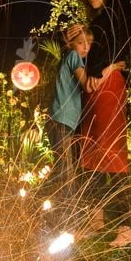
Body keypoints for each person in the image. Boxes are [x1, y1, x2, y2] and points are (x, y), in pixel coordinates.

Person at [67, 0, 131, 245]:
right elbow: (93, 47)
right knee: (93, 153)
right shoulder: (99, 17)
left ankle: (127, 229)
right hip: (96, 86)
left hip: (108, 85)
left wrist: (106, 70)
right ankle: (97, 220)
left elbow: (120, 39)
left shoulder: (116, 3)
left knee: (113, 155)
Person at [47, 27, 93, 200]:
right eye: (81, 43)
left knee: (63, 167)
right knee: (65, 170)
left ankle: (61, 208)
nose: (85, 47)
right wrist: (111, 68)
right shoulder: (74, 56)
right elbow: (88, 85)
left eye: (88, 43)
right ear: (71, 43)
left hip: (60, 118)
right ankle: (67, 211)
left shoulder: (65, 58)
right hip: (63, 118)